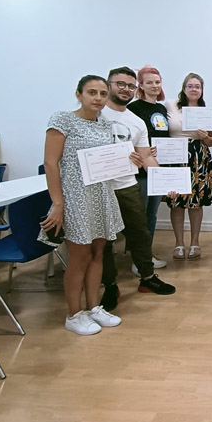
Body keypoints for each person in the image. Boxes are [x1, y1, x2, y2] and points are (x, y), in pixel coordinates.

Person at [40, 75, 124, 335]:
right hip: (75, 197)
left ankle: (93, 307)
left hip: (102, 195)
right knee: (79, 257)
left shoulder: (106, 125)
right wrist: (58, 203)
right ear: (79, 94)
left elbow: (110, 161)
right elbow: (50, 163)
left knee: (99, 253)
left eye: (103, 93)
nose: (98, 98)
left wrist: (128, 159)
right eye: (92, 92)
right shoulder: (63, 120)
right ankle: (74, 314)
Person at [99, 67, 176, 310]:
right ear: (109, 85)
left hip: (127, 184)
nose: (126, 89)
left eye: (130, 86)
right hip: (99, 187)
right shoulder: (96, 114)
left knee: (140, 232)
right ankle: (110, 285)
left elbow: (147, 157)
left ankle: (147, 277)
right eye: (120, 84)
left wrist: (166, 183)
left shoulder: (136, 121)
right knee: (106, 238)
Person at [164, 72, 212, 260]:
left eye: (198, 86)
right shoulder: (170, 105)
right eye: (190, 86)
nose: (194, 89)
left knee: (196, 203)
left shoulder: (206, 111)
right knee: (176, 203)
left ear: (202, 90)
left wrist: (205, 137)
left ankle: (195, 242)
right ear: (184, 88)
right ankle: (179, 243)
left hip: (198, 158)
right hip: (174, 157)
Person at [127, 65, 169, 242]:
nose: (154, 86)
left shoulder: (161, 109)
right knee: (140, 213)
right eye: (149, 82)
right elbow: (129, 138)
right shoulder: (133, 108)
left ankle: (147, 250)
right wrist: (141, 149)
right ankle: (137, 252)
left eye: (157, 82)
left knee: (152, 212)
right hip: (141, 172)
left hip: (158, 168)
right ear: (141, 85)